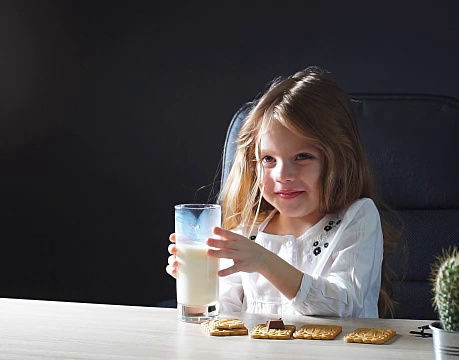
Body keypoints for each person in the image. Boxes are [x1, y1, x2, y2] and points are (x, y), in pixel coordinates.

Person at [166, 66, 399, 318]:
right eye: (268, 159)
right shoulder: (249, 231)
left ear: (338, 160)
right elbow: (224, 312)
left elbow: (345, 304)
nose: (283, 175)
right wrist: (198, 284)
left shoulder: (358, 217)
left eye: (302, 157)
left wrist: (265, 261)